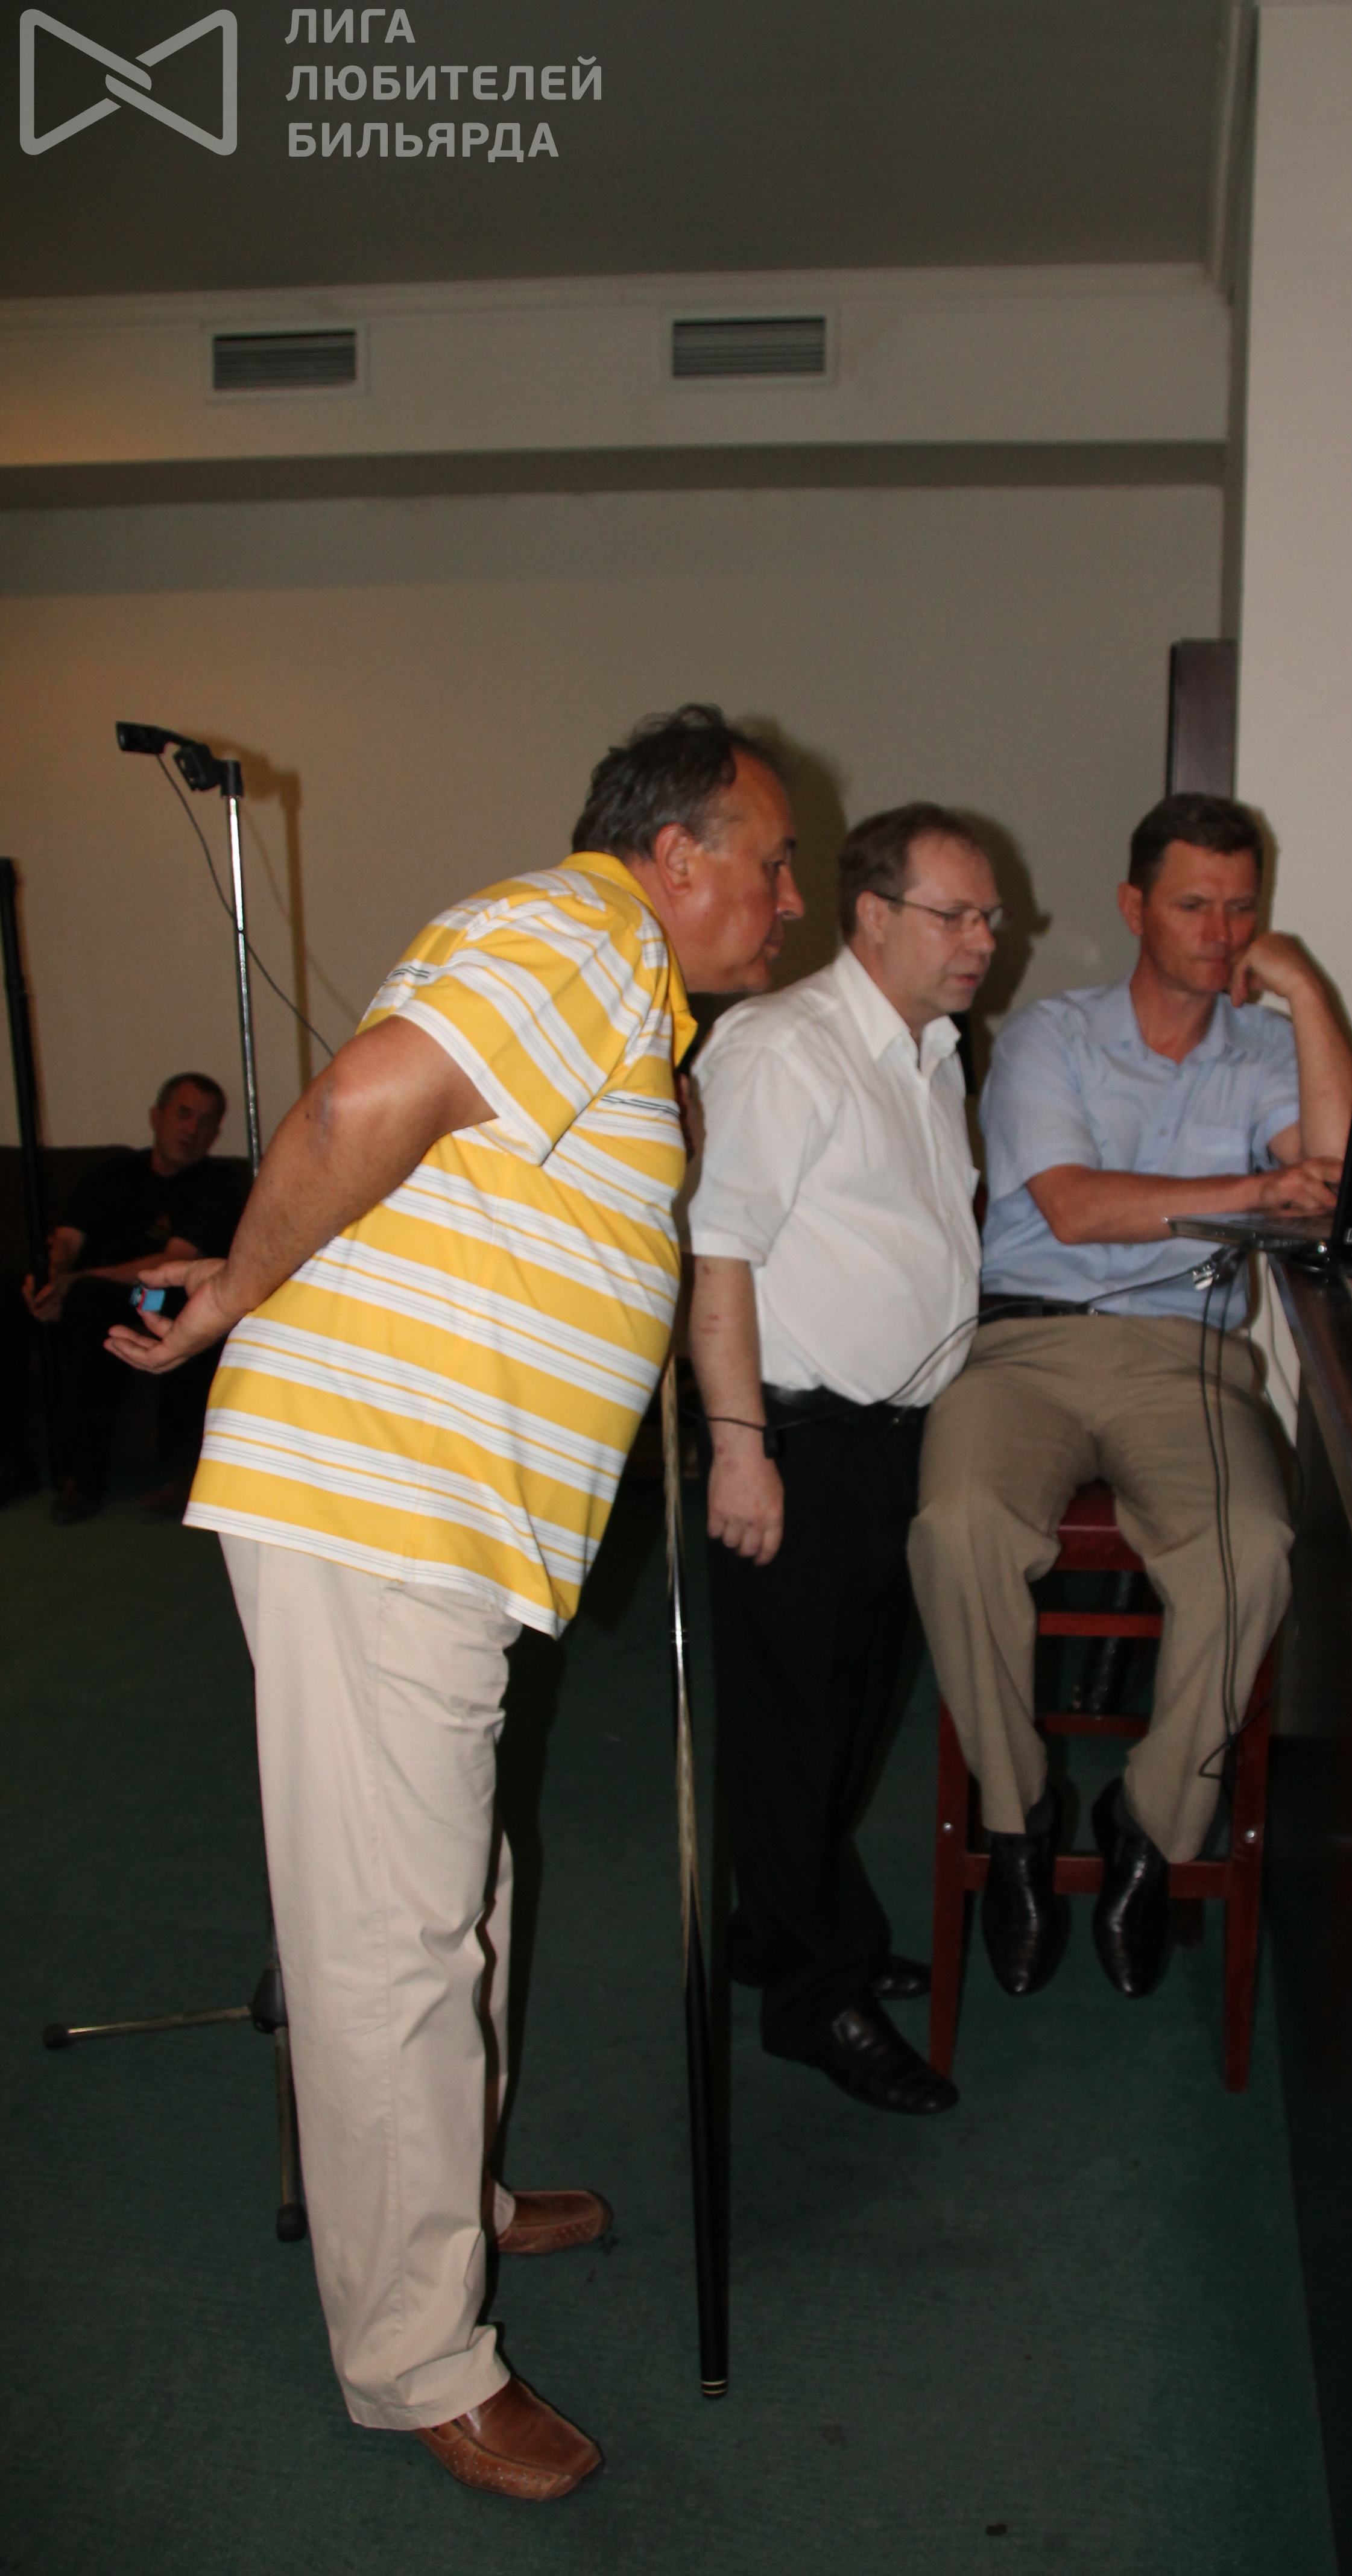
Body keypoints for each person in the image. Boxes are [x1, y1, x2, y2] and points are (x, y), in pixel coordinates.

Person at [108, 707, 803, 2504]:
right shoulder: (578, 928)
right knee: (393, 1942)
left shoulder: (617, 989)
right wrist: (235, 1291)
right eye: (773, 858)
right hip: (376, 1502)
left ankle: (454, 2196)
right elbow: (361, 1100)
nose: (790, 897)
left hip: (433, 1518)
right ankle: (417, 2349)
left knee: (452, 1897)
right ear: (674, 854)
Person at [909, 791, 1352, 2002]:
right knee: (957, 1530)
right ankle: (1016, 1819)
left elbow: (1337, 1184)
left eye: (1241, 909)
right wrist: (1252, 1194)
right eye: (1192, 904)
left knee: (1251, 1551)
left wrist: (1305, 991)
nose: (1220, 934)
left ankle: (1150, 1829)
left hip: (1183, 1357)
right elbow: (1072, 1207)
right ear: (1133, 907)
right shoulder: (1050, 1036)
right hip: (1024, 1349)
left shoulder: (1263, 1049)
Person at [687, 804, 999, 2115]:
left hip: (895, 1436)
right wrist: (739, 1449)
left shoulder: (932, 1052)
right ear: (871, 916)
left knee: (851, 1714)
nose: (983, 939)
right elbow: (719, 1250)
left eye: (990, 916)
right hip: (796, 1434)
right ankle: (817, 2002)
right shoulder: (784, 1046)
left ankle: (790, 1931)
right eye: (955, 915)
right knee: (792, 1730)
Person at [22, 1073, 247, 1521]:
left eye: (206, 1122)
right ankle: (21, 1467)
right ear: (156, 1116)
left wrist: (77, 1281)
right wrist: (50, 1279)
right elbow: (67, 1239)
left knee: (98, 1300)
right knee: (23, 1293)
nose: (192, 1129)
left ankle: (90, 1477)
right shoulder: (111, 1173)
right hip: (86, 1293)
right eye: (183, 1114)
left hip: (156, 1298)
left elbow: (173, 1262)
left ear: (216, 1134)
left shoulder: (215, 1185)